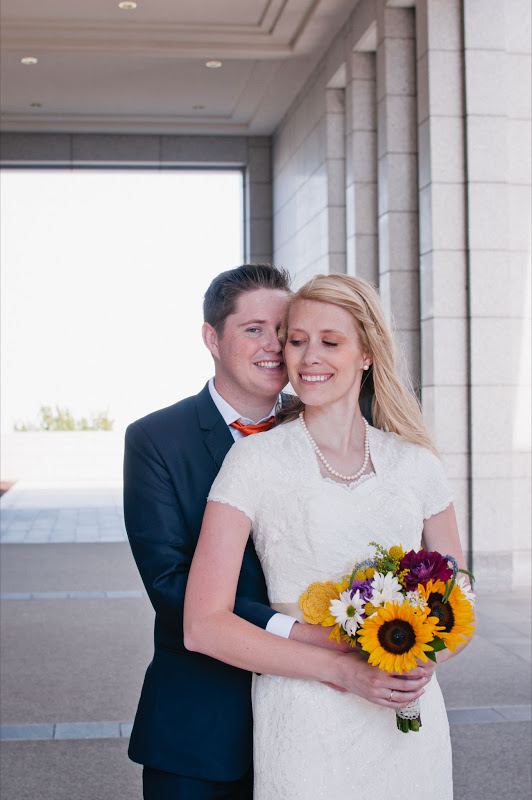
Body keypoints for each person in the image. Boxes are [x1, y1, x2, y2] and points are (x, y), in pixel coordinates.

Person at [184, 273, 471, 799]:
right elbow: (204, 626)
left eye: (330, 342)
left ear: (366, 353)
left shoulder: (418, 464)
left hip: (406, 719)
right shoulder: (253, 460)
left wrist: (421, 658)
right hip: (303, 720)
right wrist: (346, 672)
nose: (308, 356)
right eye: (297, 341)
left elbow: (461, 601)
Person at [124, 264, 392, 800]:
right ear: (212, 338)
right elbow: (170, 582)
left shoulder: (327, 427)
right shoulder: (156, 439)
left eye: (283, 331)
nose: (274, 347)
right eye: (253, 330)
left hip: (320, 719)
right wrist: (297, 632)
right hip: (203, 721)